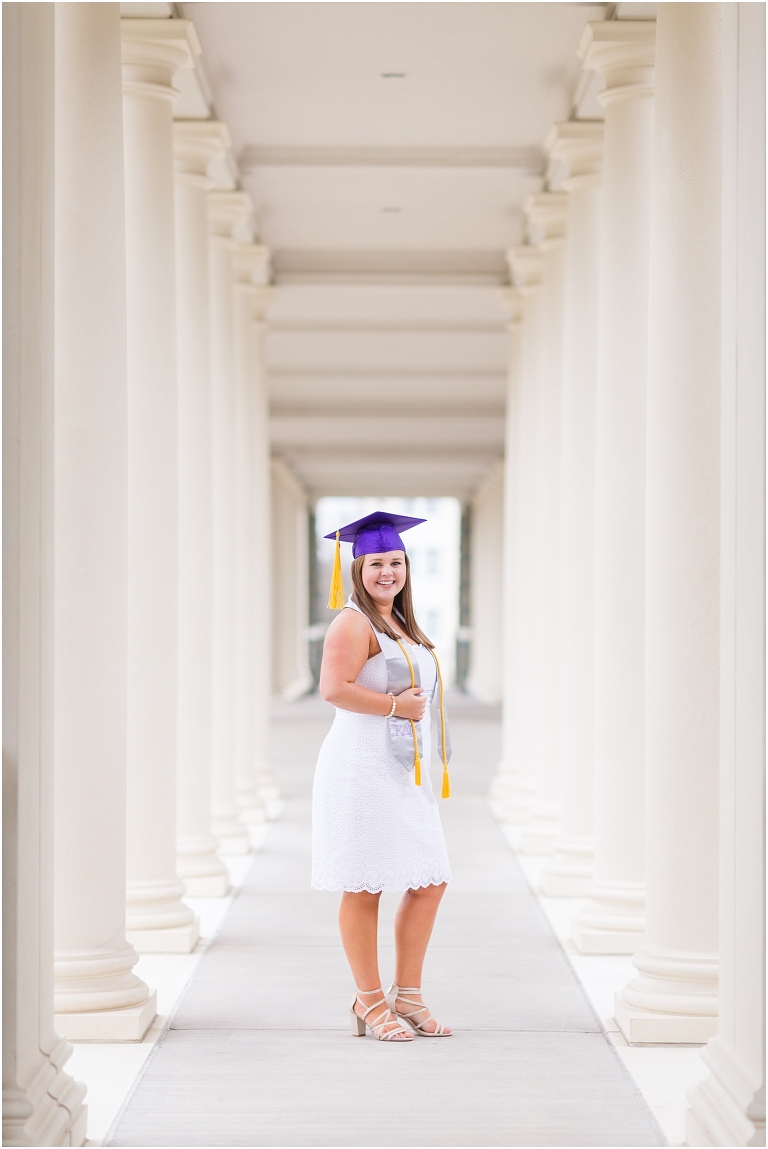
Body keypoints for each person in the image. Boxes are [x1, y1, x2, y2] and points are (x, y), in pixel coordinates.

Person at [311, 511, 453, 1042]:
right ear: (358, 568)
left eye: (396, 562)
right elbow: (333, 688)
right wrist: (396, 706)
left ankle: (408, 994)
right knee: (363, 883)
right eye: (377, 564)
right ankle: (369, 1001)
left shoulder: (400, 622)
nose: (387, 572)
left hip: (402, 771)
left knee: (429, 880)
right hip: (361, 767)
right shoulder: (352, 623)